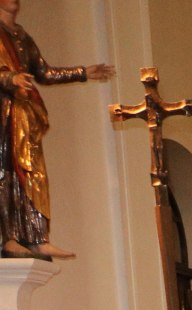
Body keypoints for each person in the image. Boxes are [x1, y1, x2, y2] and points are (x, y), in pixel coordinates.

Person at [0, 0, 114, 260]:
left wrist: (83, 72)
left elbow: (44, 73)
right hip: (4, 116)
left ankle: (37, 238)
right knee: (6, 175)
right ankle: (9, 239)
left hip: (26, 114)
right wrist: (10, 78)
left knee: (34, 174)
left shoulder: (21, 36)